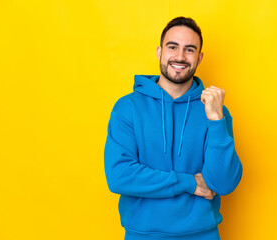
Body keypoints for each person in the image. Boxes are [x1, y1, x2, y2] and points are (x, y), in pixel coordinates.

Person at [104, 16, 243, 240]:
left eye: (189, 50)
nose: (179, 56)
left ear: (199, 58)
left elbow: (223, 183)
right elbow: (120, 176)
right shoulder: (128, 108)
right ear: (160, 52)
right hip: (142, 235)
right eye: (172, 47)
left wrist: (216, 120)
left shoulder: (215, 111)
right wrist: (189, 183)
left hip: (202, 235)